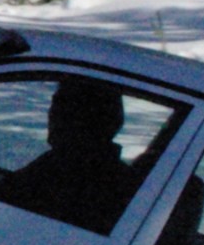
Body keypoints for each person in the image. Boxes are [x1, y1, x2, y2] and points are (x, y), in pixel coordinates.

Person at [13, 81, 139, 232]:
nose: (52, 114)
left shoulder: (64, 172)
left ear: (82, 117)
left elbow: (6, 193)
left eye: (61, 105)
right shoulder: (112, 174)